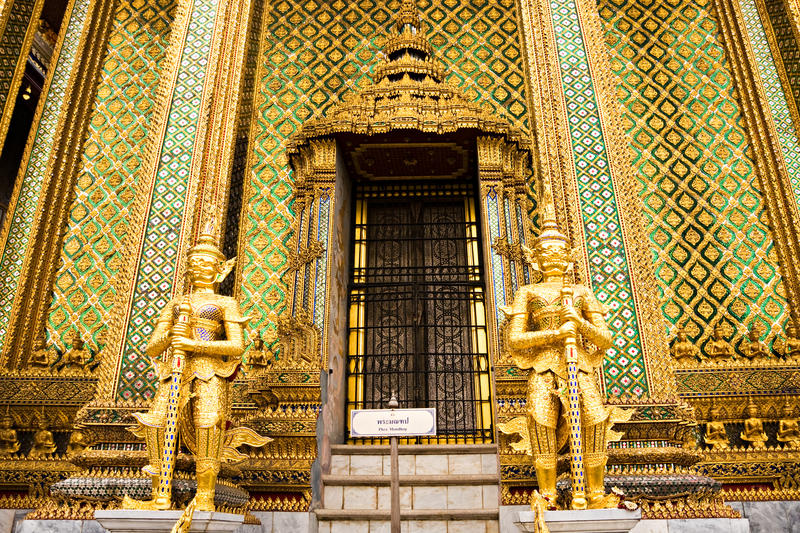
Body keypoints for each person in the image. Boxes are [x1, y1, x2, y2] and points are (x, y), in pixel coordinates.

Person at [124, 225, 247, 512]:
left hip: (209, 371)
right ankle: (159, 493)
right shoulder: (177, 303)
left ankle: (205, 494)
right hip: (174, 371)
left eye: (205, 263)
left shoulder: (225, 303)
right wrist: (171, 337)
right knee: (156, 423)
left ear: (219, 270)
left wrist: (194, 344)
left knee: (210, 423)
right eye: (193, 263)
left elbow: (236, 346)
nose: (198, 267)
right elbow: (153, 347)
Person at [506, 196, 615, 510]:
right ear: (536, 259)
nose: (553, 255)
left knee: (594, 420)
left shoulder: (582, 292)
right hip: (543, 367)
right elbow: (515, 340)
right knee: (541, 423)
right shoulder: (527, 292)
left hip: (578, 365)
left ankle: (594, 492)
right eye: (546, 251)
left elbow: (605, 339)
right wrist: (555, 333)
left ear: (569, 257)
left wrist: (579, 323)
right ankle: (548, 495)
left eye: (559, 250)